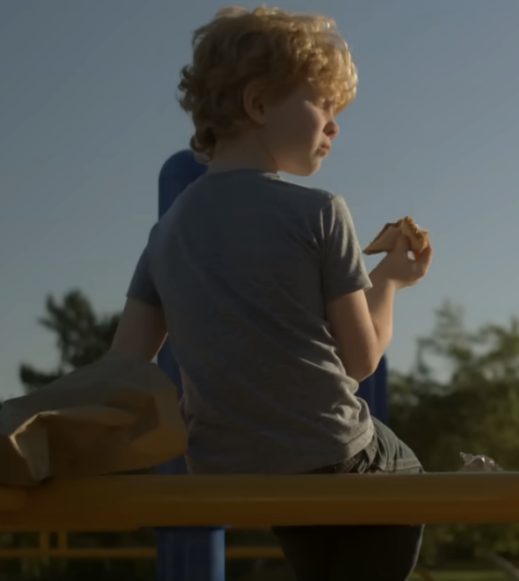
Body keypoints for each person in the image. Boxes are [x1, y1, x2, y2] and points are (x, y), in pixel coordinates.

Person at [105, 7, 432, 580]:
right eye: (323, 106)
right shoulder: (321, 212)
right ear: (258, 105)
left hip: (226, 468)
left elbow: (124, 368)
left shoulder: (167, 233)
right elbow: (360, 360)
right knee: (404, 474)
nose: (334, 126)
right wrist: (390, 281)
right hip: (327, 451)